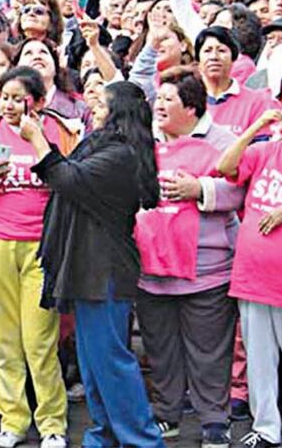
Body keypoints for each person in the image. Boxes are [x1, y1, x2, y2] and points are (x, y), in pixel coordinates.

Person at [32, 81, 166, 448]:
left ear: (118, 111)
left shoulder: (122, 154)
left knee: (111, 362)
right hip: (86, 266)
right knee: (93, 366)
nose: (93, 106)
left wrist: (37, 140)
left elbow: (67, 178)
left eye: (102, 103)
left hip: (104, 268)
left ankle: (142, 440)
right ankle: (103, 435)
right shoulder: (102, 145)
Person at [0, 66, 76, 448]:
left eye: (18, 98)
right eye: (4, 97)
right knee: (5, 342)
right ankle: (12, 421)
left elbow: (73, 186)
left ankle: (52, 424)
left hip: (43, 247)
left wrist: (37, 141)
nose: (9, 105)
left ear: (38, 102)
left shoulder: (60, 132)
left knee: (40, 340)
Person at [134, 67, 243, 448]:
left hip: (207, 269)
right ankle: (167, 414)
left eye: (168, 100)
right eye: (157, 99)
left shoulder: (223, 140)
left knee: (209, 350)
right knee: (160, 347)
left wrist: (201, 188)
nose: (159, 105)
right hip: (150, 267)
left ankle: (216, 420)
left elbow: (242, 189)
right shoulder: (142, 140)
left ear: (193, 108)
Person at [216, 89, 282, 448]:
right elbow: (225, 168)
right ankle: (267, 428)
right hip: (252, 274)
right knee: (259, 359)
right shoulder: (267, 150)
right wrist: (255, 127)